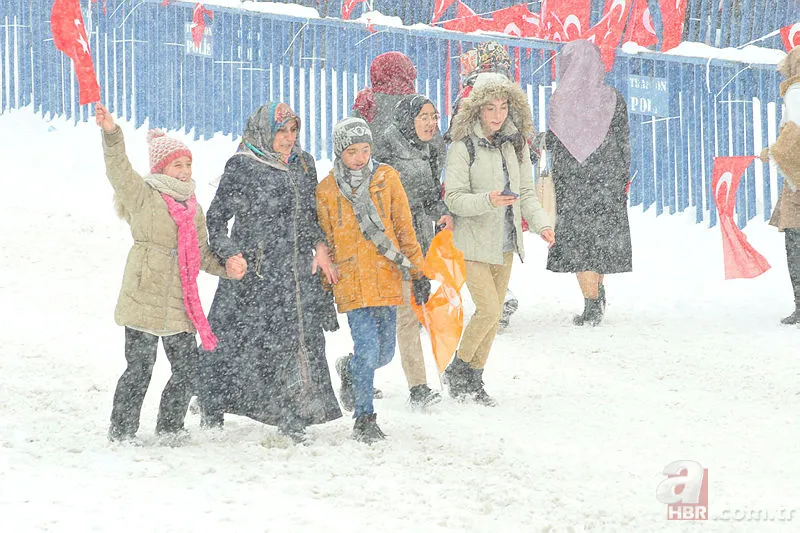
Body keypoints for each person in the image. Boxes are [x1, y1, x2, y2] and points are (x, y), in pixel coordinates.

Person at [95, 103, 240, 445]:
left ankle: (171, 426)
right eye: (178, 164)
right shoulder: (143, 196)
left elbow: (202, 254)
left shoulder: (193, 207)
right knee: (139, 369)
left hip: (179, 301)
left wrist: (226, 267)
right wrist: (112, 134)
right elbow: (118, 169)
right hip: (143, 295)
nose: (185, 171)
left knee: (187, 369)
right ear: (162, 167)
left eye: (188, 164)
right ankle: (122, 430)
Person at [199, 102, 342, 444]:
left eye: (293, 130)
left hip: (295, 274)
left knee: (295, 343)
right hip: (254, 276)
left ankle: (293, 416)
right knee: (236, 344)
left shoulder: (303, 164)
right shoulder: (243, 165)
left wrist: (320, 246)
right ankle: (212, 401)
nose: (288, 138)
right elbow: (215, 220)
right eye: (281, 131)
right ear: (265, 132)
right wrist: (230, 254)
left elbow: (310, 216)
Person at [316, 117, 430, 443]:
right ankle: (364, 418)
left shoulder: (386, 178)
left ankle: (349, 369)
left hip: (386, 275)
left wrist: (418, 272)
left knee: (384, 354)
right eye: (352, 151)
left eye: (365, 150)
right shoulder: (327, 190)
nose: (360, 157)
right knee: (367, 350)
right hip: (351, 280)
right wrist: (324, 288)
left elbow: (404, 229)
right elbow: (325, 241)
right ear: (339, 152)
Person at [443, 74, 554, 406]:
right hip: (473, 241)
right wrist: (487, 200)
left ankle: (474, 378)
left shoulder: (514, 144)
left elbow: (525, 193)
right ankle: (458, 368)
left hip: (506, 241)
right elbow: (453, 199)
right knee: (490, 309)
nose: (497, 115)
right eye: (490, 107)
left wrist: (542, 224)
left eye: (503, 107)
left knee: (491, 317)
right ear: (477, 108)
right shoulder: (463, 146)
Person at [544, 40, 632, 327]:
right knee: (601, 242)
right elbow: (623, 142)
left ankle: (591, 305)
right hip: (607, 181)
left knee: (580, 246)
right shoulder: (614, 99)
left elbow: (556, 145)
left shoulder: (560, 101)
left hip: (573, 185)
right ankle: (598, 292)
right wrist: (621, 177)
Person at [373, 94, 452, 408]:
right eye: (424, 117)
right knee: (394, 317)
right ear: (409, 119)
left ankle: (412, 386)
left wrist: (442, 213)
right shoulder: (386, 147)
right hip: (389, 242)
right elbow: (375, 198)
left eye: (434, 116)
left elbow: (430, 195)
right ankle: (413, 386)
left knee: (407, 315)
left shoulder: (429, 148)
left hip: (418, 239)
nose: (431, 123)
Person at [448, 41, 520, 330]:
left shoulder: (471, 93)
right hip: (496, 176)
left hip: (473, 173)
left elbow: (456, 129)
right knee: (496, 235)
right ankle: (495, 298)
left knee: (481, 236)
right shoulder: (507, 92)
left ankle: (491, 298)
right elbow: (519, 130)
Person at [763, 46, 800, 324]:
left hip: (797, 183)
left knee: (795, 245)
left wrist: (772, 152)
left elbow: (793, 137)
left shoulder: (796, 92)